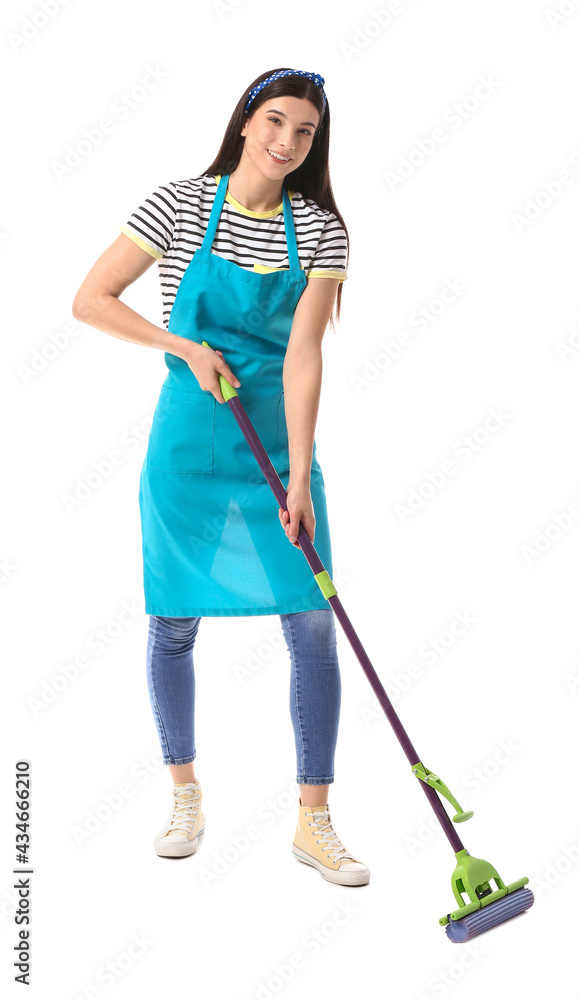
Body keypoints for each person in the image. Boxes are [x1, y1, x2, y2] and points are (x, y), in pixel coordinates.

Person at [72, 67, 369, 885]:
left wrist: (301, 477)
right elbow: (90, 299)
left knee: (311, 620)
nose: (286, 141)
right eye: (275, 121)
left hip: (275, 445)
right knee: (172, 621)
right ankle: (184, 791)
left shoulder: (320, 231)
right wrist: (185, 349)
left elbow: (304, 354)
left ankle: (314, 819)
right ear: (244, 121)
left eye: (304, 132)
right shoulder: (175, 203)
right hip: (187, 448)